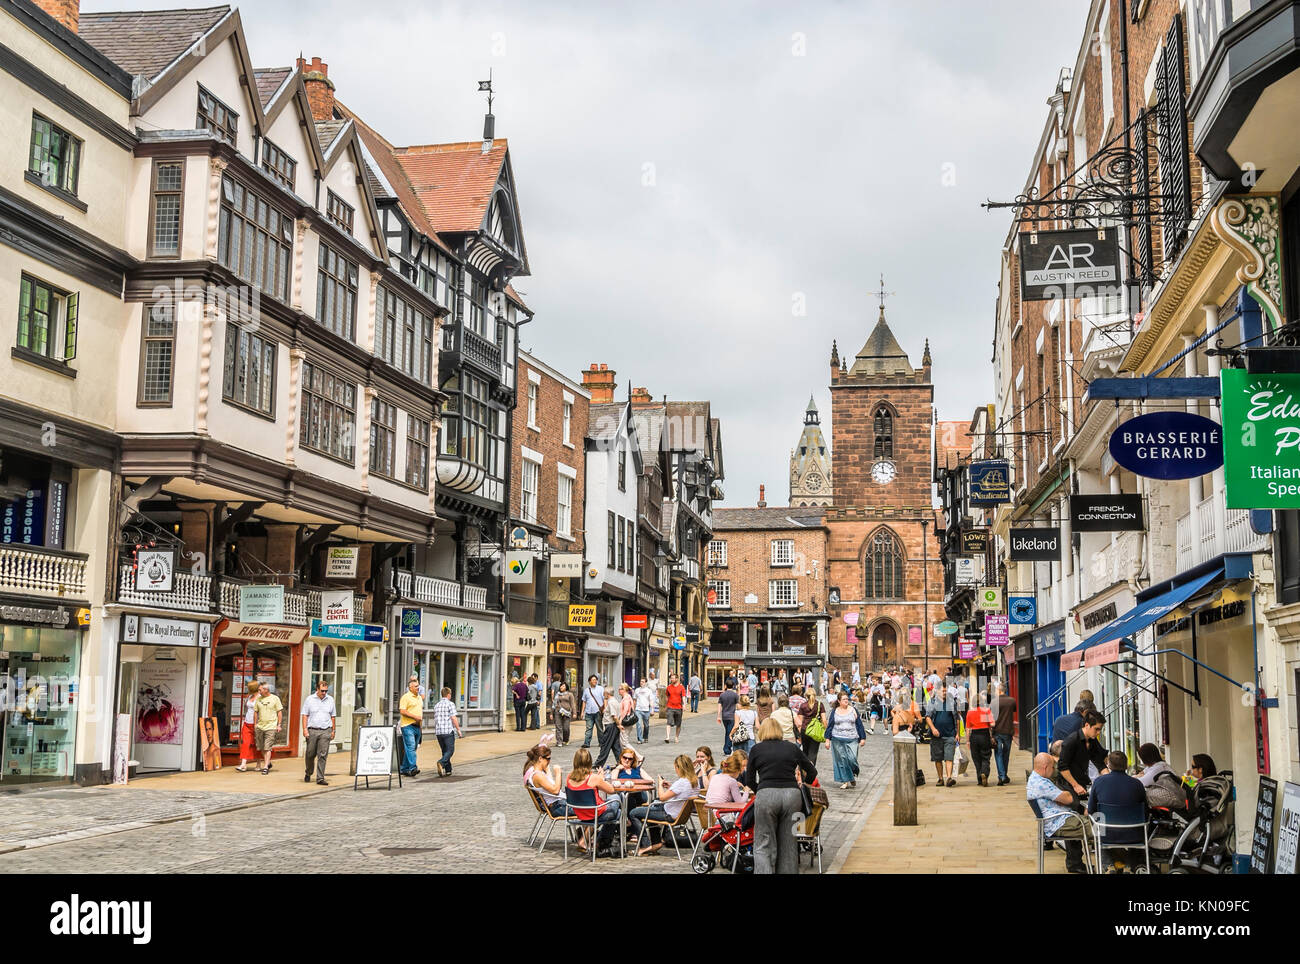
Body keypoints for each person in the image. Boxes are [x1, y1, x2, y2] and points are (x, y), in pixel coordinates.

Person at [741, 717, 818, 874]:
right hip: (792, 796)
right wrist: (803, 785)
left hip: (767, 794)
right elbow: (812, 771)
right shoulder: (792, 748)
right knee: (789, 842)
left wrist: (760, 790)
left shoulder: (756, 749)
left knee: (763, 841)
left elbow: (749, 779)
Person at [1026, 751, 1092, 874]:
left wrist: (1063, 797)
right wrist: (1066, 795)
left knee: (1088, 820)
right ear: (1045, 767)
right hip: (1059, 823)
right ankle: (1112, 864)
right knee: (1100, 828)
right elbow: (1068, 799)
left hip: (1060, 819)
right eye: (1052, 767)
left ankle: (1076, 863)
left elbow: (1063, 799)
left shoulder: (1035, 778)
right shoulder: (1042, 784)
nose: (1054, 769)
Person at [1087, 750, 1149, 871]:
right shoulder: (1137, 784)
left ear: (1108, 765)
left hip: (1107, 835)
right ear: (1126, 766)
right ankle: (1132, 865)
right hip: (1134, 834)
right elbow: (1145, 811)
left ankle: (1108, 865)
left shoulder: (1099, 782)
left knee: (1098, 827)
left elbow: (1091, 810)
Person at [630, 754, 697, 856]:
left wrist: (660, 784)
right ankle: (656, 842)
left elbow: (662, 798)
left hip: (670, 815)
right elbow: (681, 793)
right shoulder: (694, 782)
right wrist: (670, 787)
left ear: (679, 768)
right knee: (651, 807)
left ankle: (645, 845)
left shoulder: (682, 782)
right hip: (680, 814)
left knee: (634, 813)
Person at [565, 748, 621, 853]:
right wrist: (601, 778)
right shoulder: (593, 778)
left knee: (615, 810)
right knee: (617, 802)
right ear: (589, 761)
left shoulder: (569, 777)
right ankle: (600, 842)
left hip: (580, 812)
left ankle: (590, 840)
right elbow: (612, 790)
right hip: (595, 813)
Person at [1057, 710, 1107, 799]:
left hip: (1083, 783)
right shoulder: (1071, 741)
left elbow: (1099, 762)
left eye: (1100, 729)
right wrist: (1075, 785)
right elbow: (1062, 767)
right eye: (1096, 729)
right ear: (1087, 725)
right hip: (1068, 786)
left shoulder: (1093, 740)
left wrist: (1110, 778)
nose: (1099, 732)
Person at [825, 690, 866, 788]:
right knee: (842, 760)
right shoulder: (834, 711)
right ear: (839, 701)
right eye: (844, 699)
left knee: (852, 759)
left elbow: (859, 724)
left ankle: (853, 773)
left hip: (852, 738)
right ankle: (845, 781)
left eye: (847, 699)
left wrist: (862, 737)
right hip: (837, 738)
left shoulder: (853, 710)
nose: (846, 701)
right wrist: (827, 739)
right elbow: (830, 726)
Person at [301, 677, 335, 785]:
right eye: (322, 691)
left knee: (323, 755)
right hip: (312, 730)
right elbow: (305, 715)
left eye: (326, 691)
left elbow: (333, 716)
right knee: (310, 754)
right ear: (317, 689)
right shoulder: (309, 699)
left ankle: (320, 778)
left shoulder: (330, 700)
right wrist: (305, 729)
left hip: (326, 730)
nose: (324, 693)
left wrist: (333, 730)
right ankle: (308, 772)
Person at [925, 686, 959, 787]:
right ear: (937, 691)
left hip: (950, 734)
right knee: (938, 758)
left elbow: (956, 718)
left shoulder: (952, 702)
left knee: (949, 757)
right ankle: (940, 779)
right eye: (942, 691)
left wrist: (957, 734)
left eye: (945, 690)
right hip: (936, 736)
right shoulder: (932, 702)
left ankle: (949, 778)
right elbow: (928, 717)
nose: (944, 692)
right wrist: (933, 729)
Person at [524, 744, 568, 816]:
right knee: (590, 809)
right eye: (548, 759)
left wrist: (548, 770)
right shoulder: (537, 775)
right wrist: (558, 773)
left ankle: (586, 827)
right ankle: (587, 827)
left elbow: (552, 786)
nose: (549, 761)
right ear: (540, 758)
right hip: (557, 806)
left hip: (559, 803)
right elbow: (556, 790)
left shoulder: (538, 773)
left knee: (588, 804)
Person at [964, 690, 994, 787]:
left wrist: (967, 741)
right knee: (986, 756)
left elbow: (968, 729)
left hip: (974, 736)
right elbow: (992, 724)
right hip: (985, 735)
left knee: (976, 758)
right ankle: (984, 773)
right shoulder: (986, 711)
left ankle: (980, 779)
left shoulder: (970, 713)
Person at [431, 686, 462, 776]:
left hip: (439, 732)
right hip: (448, 731)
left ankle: (448, 770)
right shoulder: (450, 704)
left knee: (445, 751)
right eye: (450, 694)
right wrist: (458, 730)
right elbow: (453, 718)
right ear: (448, 694)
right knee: (450, 750)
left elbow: (436, 719)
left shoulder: (437, 705)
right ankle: (441, 763)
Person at [253, 681, 282, 775]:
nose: (259, 691)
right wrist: (255, 724)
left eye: (260, 690)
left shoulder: (275, 699)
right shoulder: (258, 699)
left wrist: (279, 724)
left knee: (267, 747)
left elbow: (279, 712)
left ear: (266, 690)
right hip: (260, 726)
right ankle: (268, 762)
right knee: (261, 747)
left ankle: (265, 767)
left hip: (271, 726)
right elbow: (255, 712)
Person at [991, 682, 1017, 786]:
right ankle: (1004, 775)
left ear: (999, 690)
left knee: (998, 753)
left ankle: (1001, 776)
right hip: (1008, 731)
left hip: (997, 731)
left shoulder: (994, 702)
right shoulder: (1012, 701)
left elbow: (991, 716)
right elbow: (1014, 710)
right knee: (1006, 754)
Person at [398, 676, 423, 777]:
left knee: (411, 749)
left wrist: (420, 725)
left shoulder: (419, 698)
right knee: (411, 747)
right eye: (416, 686)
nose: (418, 688)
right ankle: (413, 768)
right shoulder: (405, 697)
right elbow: (402, 711)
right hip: (408, 726)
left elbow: (420, 712)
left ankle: (404, 768)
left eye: (418, 686)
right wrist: (415, 717)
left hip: (417, 727)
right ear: (410, 688)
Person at [593, 686, 623, 769]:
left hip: (610, 725)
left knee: (605, 745)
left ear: (607, 693)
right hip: (613, 725)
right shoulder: (615, 701)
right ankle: (621, 761)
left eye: (604, 693)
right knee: (615, 746)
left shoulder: (611, 702)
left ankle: (598, 764)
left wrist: (618, 725)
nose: (603, 695)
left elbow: (614, 715)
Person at [236, 679, 261, 771]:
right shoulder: (249, 697)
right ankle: (243, 764)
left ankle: (258, 763)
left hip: (256, 724)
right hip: (247, 723)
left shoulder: (260, 698)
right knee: (245, 743)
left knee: (257, 744)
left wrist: (258, 723)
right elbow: (246, 709)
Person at [798, 686, 827, 767]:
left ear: (806, 696)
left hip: (805, 730)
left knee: (805, 752)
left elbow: (800, 721)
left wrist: (799, 735)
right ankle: (811, 772)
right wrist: (826, 731)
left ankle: (804, 772)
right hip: (816, 730)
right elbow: (824, 720)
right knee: (813, 753)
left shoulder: (803, 705)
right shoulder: (820, 705)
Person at [580, 675, 604, 748]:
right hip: (588, 712)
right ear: (589, 681)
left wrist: (604, 710)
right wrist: (582, 712)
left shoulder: (601, 689)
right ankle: (587, 743)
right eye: (593, 680)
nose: (595, 681)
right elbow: (584, 701)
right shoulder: (586, 690)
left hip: (598, 712)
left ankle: (602, 743)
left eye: (596, 680)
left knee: (599, 728)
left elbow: (604, 699)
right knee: (588, 729)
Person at [717, 676, 739, 755]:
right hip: (732, 716)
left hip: (724, 716)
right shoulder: (735, 695)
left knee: (728, 731)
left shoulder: (722, 695)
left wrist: (718, 716)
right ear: (733, 686)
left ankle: (728, 748)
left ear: (725, 686)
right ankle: (727, 749)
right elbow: (738, 706)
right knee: (729, 733)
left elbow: (719, 706)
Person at [552, 680, 577, 746]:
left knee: (566, 728)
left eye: (563, 686)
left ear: (566, 687)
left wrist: (574, 713)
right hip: (558, 711)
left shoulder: (570, 694)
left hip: (567, 712)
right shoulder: (557, 694)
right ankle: (559, 741)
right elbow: (554, 704)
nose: (561, 687)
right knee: (558, 727)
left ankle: (565, 740)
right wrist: (552, 713)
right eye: (561, 686)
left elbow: (572, 704)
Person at [633, 677, 656, 744]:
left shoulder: (649, 691)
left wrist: (652, 710)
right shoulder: (637, 690)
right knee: (638, 724)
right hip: (638, 710)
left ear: (646, 683)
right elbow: (634, 700)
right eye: (640, 681)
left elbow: (651, 701)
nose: (641, 683)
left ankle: (645, 737)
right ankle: (640, 739)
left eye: (643, 681)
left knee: (646, 725)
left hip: (646, 710)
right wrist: (633, 709)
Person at [664, 673, 686, 743]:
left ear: (677, 679)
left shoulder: (681, 687)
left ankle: (676, 737)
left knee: (678, 724)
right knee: (669, 722)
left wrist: (684, 705)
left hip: (679, 707)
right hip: (670, 707)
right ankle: (667, 737)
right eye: (671, 678)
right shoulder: (669, 687)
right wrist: (666, 705)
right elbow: (667, 696)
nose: (672, 679)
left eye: (673, 678)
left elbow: (683, 697)